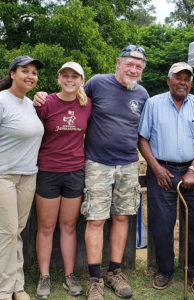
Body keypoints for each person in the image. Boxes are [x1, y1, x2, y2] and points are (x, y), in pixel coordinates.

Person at [33, 45, 149, 300]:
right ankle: (95, 279)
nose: (133, 69)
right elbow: (71, 97)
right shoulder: (98, 83)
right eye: (129, 63)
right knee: (96, 220)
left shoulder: (142, 93)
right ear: (118, 62)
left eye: (139, 66)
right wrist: (40, 95)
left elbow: (144, 131)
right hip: (97, 163)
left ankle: (114, 273)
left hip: (129, 163)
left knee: (122, 218)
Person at [138, 62, 194, 295]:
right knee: (162, 222)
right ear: (168, 80)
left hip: (192, 170)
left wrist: (193, 169)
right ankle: (164, 270)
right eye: (178, 78)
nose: (183, 82)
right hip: (161, 169)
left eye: (187, 79)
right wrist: (155, 168)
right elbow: (142, 139)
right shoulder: (153, 104)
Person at [34, 62, 92, 299]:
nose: (69, 80)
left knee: (68, 226)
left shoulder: (86, 105)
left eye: (74, 76)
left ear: (81, 81)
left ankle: (69, 276)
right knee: (46, 227)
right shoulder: (45, 103)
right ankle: (44, 277)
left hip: (74, 171)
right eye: (65, 75)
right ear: (58, 79)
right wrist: (36, 95)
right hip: (48, 170)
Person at [0, 56, 44, 300]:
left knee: (16, 231)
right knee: (6, 233)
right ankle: (5, 289)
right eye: (25, 71)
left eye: (34, 72)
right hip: (3, 175)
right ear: (13, 73)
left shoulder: (29, 104)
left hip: (28, 175)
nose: (31, 76)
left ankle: (17, 286)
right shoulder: (2, 101)